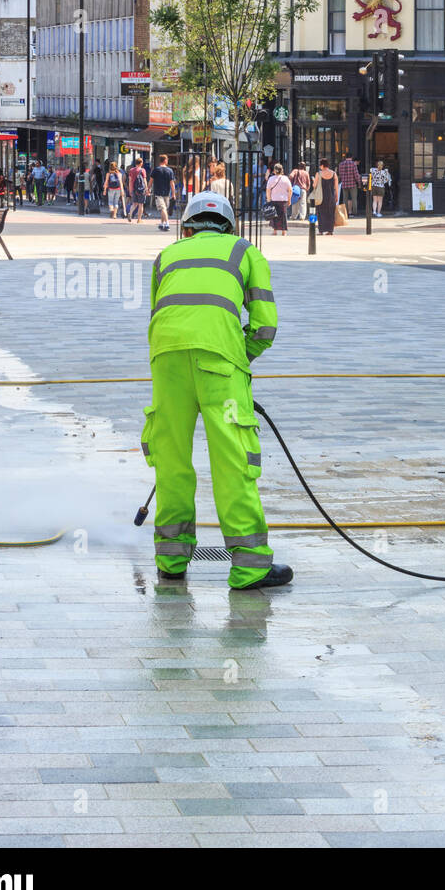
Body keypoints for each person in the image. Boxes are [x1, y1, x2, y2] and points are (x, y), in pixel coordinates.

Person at [141, 191, 291, 591]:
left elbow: (160, 311)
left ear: (187, 227)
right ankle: (249, 568)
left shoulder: (166, 256)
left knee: (171, 458)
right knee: (233, 460)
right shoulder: (246, 252)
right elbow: (264, 326)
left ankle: (171, 562)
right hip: (219, 364)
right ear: (229, 225)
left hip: (167, 359)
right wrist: (238, 358)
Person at [151, 154, 178, 231]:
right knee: (164, 208)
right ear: (165, 160)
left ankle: (162, 223)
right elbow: (172, 183)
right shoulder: (170, 170)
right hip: (167, 192)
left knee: (163, 209)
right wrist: (173, 194)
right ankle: (166, 223)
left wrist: (148, 189)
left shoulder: (156, 170)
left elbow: (151, 181)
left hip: (158, 192)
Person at [266, 161, 291, 236]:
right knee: (283, 215)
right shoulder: (285, 179)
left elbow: (268, 190)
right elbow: (290, 190)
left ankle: (275, 231)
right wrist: (289, 199)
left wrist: (268, 199)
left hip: (274, 199)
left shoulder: (271, 179)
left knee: (274, 216)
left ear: (274, 170)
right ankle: (284, 231)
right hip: (283, 200)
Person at [315, 159, 339, 235]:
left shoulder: (318, 174)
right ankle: (330, 230)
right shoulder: (334, 174)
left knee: (321, 213)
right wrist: (337, 196)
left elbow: (314, 185)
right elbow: (336, 187)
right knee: (330, 213)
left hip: (321, 197)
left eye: (320, 165)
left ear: (322, 165)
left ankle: (321, 230)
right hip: (331, 196)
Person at [127, 157, 149, 223]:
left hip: (134, 189)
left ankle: (130, 213)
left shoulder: (131, 170)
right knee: (141, 204)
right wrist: (147, 188)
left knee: (134, 204)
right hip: (141, 189)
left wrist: (130, 190)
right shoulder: (142, 170)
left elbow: (130, 181)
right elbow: (144, 180)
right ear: (141, 163)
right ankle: (139, 219)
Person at [337, 152, 359, 217]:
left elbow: (340, 174)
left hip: (344, 184)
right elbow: (356, 175)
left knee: (345, 199)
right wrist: (359, 182)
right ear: (351, 157)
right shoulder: (353, 164)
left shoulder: (341, 164)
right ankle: (354, 212)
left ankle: (346, 212)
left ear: (345, 157)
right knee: (354, 198)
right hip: (352, 184)